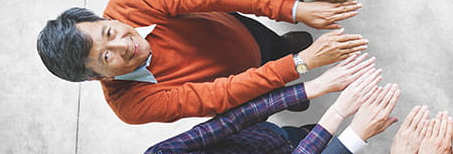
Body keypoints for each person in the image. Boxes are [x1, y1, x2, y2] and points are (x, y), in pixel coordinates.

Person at [36, 0, 369, 124]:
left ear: (104, 19)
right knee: (283, 88)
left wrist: (291, 9)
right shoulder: (131, 105)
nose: (125, 44)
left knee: (277, 46)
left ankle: (282, 51)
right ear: (99, 77)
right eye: (107, 57)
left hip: (233, 29)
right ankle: (289, 87)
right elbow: (217, 96)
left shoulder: (126, 4)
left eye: (109, 32)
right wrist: (301, 65)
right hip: (237, 84)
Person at [145, 55, 379, 153]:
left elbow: (233, 121)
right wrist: (337, 114)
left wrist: (315, 86)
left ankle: (303, 133)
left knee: (296, 135)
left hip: (267, 137)